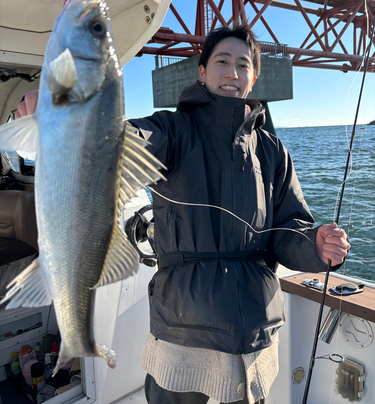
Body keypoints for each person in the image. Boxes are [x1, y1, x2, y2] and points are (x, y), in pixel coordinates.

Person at [15, 25, 350, 404]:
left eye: (243, 65)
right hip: (182, 336)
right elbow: (122, 144)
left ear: (253, 78)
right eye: (222, 62)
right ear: (202, 71)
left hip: (256, 334)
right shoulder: (172, 130)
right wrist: (67, 122)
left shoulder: (273, 151)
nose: (232, 72)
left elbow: (290, 229)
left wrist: (315, 245)